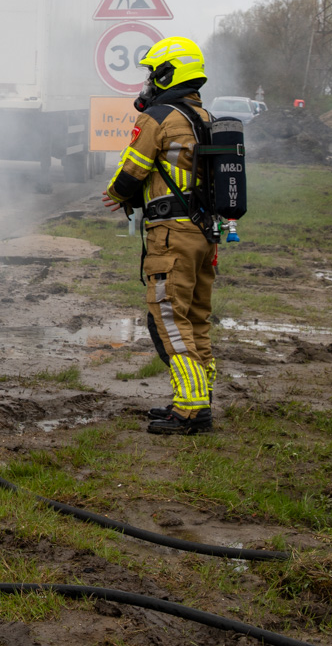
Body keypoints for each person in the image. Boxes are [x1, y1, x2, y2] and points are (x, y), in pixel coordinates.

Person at [104, 36, 218, 435]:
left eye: (154, 73)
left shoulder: (161, 117)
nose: (150, 82)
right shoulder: (202, 117)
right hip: (204, 233)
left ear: (170, 73)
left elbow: (132, 171)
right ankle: (198, 398)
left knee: (169, 318)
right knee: (196, 318)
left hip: (172, 234)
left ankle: (189, 410)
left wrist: (116, 194)